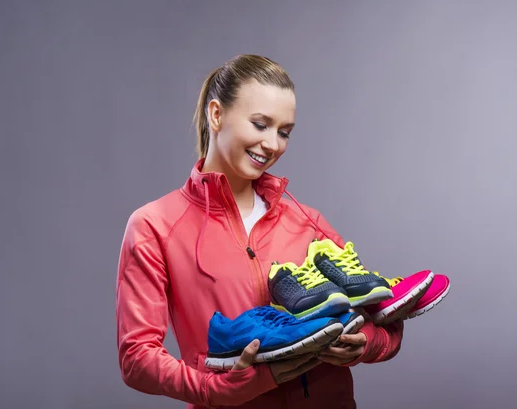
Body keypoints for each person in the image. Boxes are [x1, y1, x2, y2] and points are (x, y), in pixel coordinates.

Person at [115, 54, 404, 409]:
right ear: (216, 114)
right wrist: (213, 389)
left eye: (284, 132)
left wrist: (366, 343)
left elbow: (385, 323)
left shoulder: (307, 221)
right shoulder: (155, 226)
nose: (272, 144)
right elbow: (136, 357)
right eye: (260, 124)